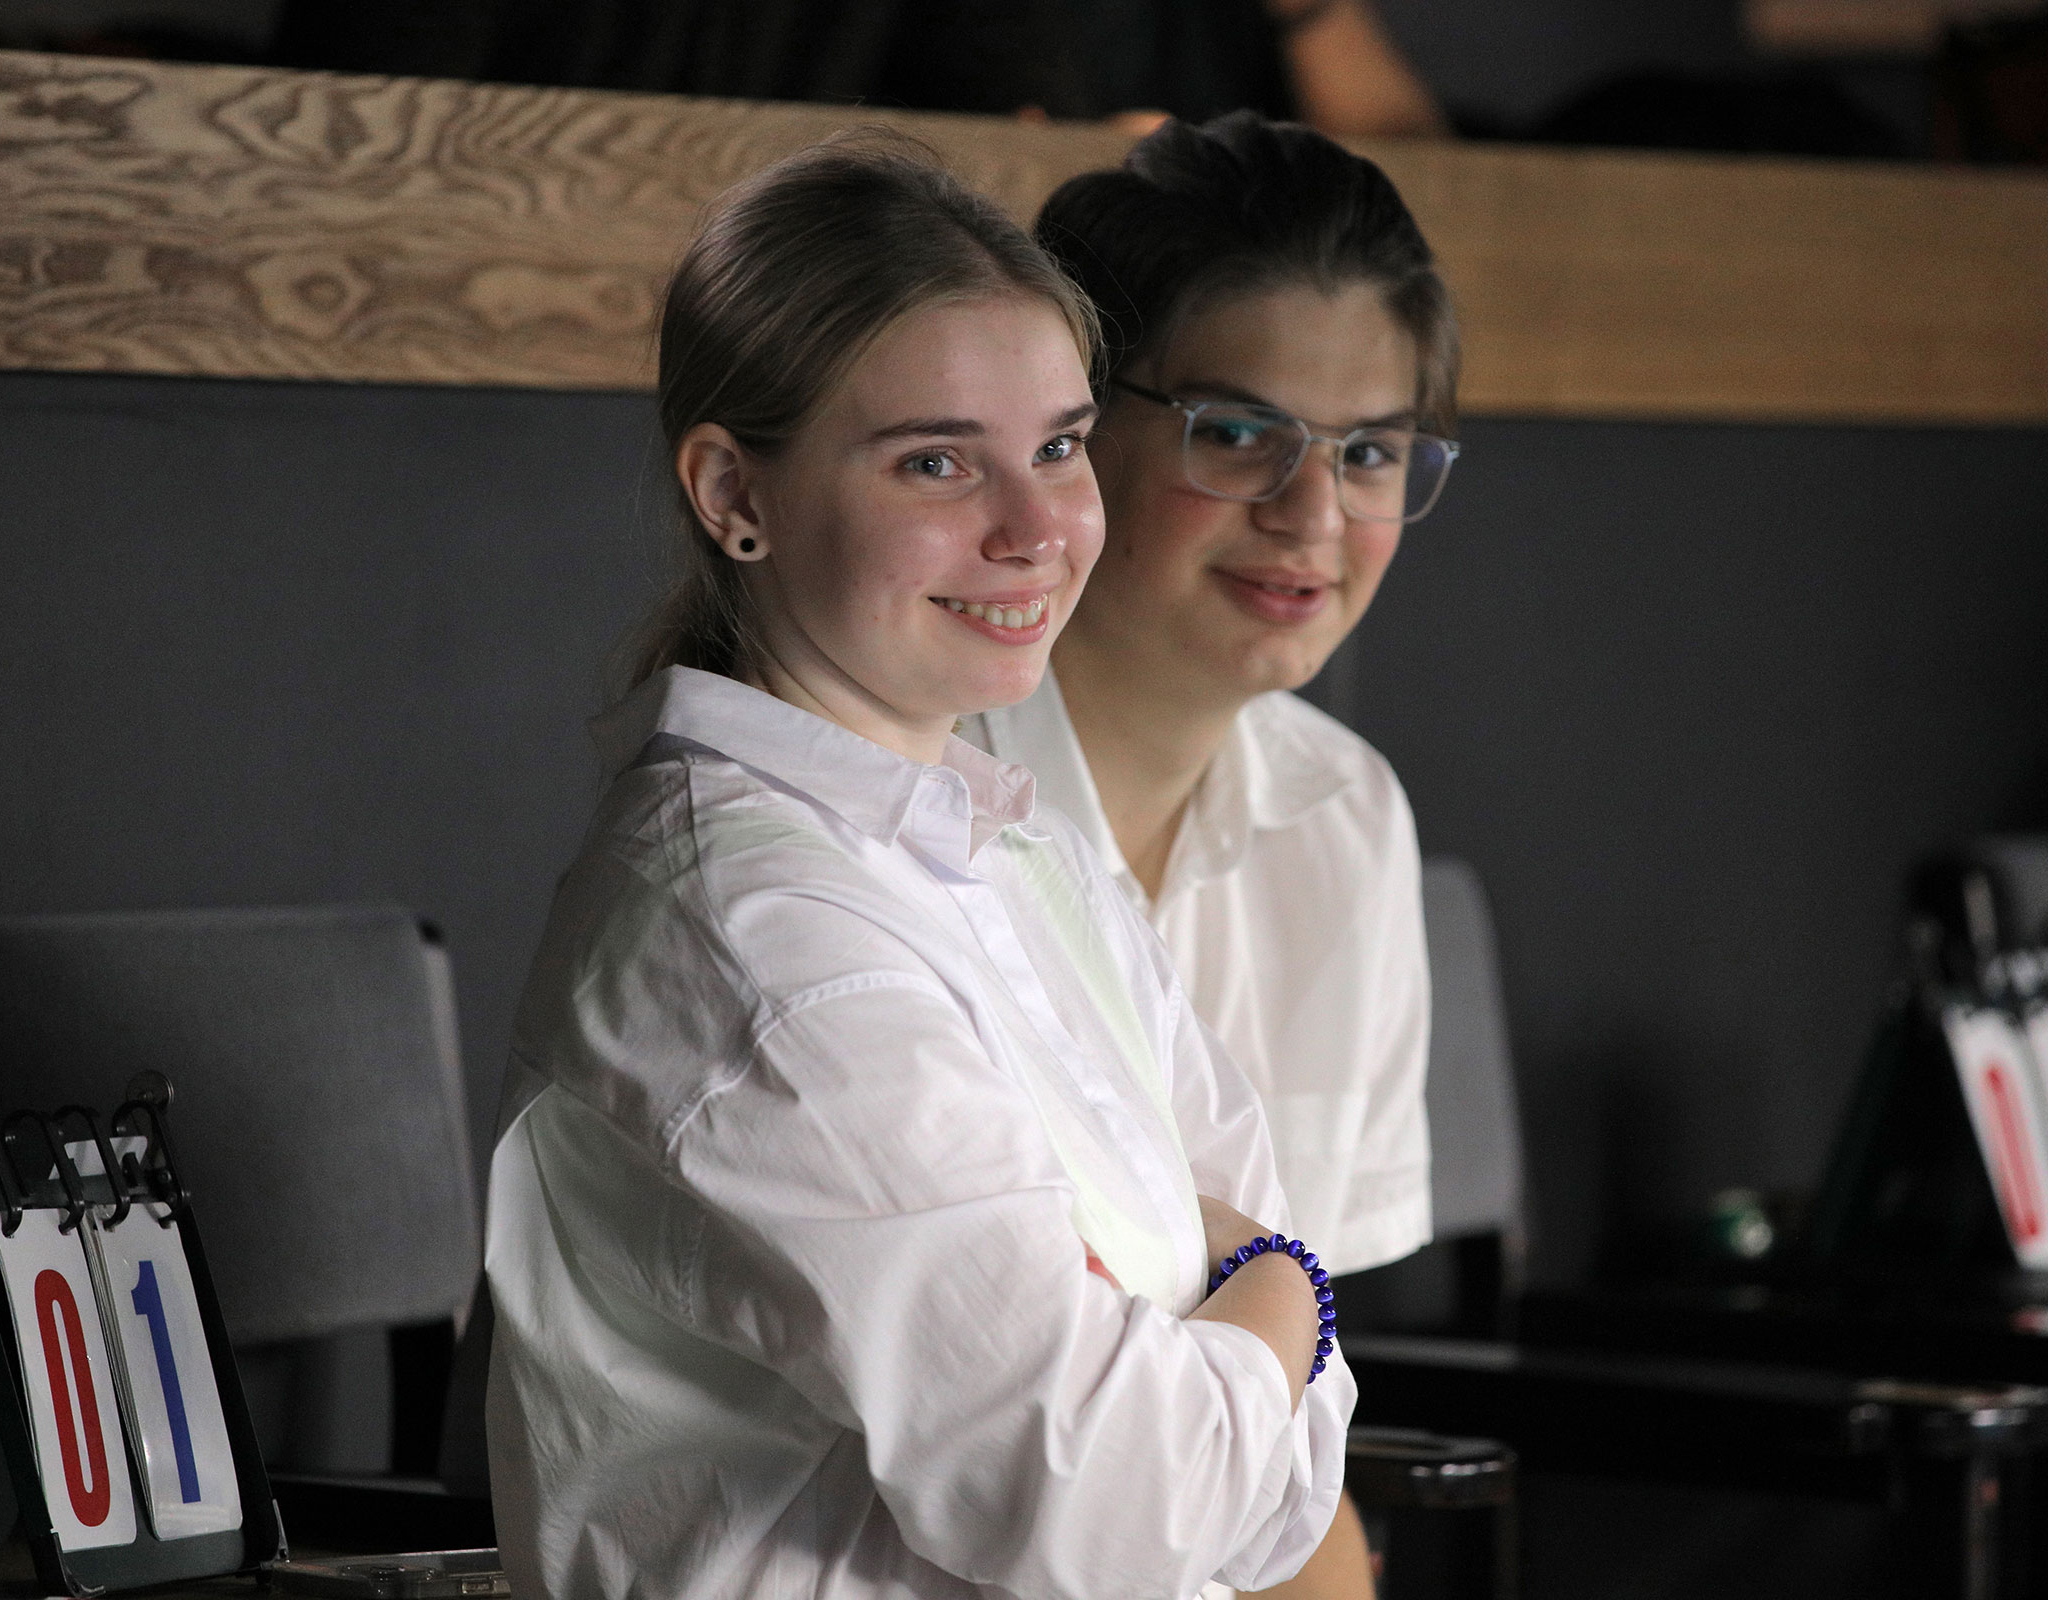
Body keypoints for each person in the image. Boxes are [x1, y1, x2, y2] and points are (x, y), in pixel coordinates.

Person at [483, 136, 1352, 1600]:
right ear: (734, 493)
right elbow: (1113, 1512)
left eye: (1061, 447)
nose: (1038, 531)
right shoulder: (761, 938)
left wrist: (1224, 1350)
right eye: (937, 462)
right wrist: (1283, 1282)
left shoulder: (1017, 852)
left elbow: (1271, 1500)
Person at [960, 112, 1460, 1599]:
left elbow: (1277, 1427)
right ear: (1073, 433)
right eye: (1238, 434)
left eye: (1369, 452)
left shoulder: (1345, 817)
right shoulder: (893, 801)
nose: (1314, 515)